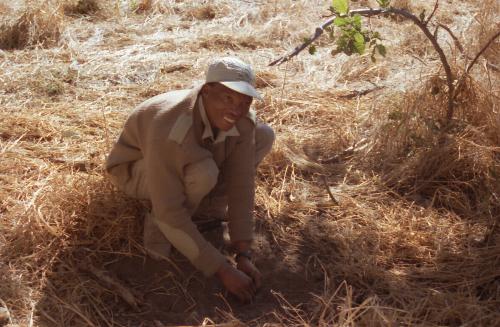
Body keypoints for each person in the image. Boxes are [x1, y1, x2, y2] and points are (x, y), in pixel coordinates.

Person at [105, 57, 275, 302]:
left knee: (263, 134)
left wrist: (243, 253)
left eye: (244, 100)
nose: (236, 109)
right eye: (228, 98)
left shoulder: (242, 119)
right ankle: (158, 229)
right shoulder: (172, 128)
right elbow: (170, 210)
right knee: (202, 174)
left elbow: (242, 183)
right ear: (207, 90)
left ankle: (207, 206)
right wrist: (222, 269)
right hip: (137, 170)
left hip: (190, 158)